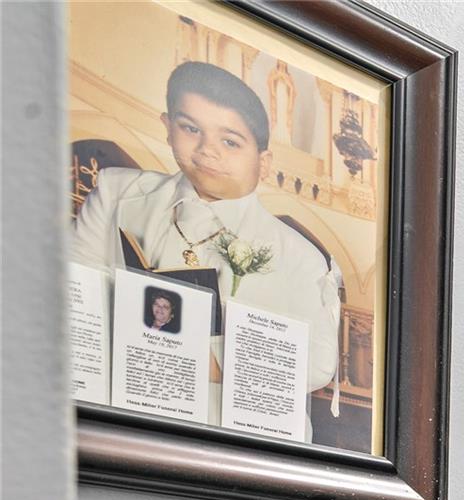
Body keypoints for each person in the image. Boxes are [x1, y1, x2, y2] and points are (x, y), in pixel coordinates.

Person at [73, 60, 341, 398]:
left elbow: (318, 362)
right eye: (190, 128)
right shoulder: (117, 193)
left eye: (230, 142)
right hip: (116, 401)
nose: (207, 150)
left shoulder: (300, 256)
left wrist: (200, 360)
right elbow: (77, 291)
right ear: (167, 127)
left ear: (263, 162)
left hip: (222, 420)